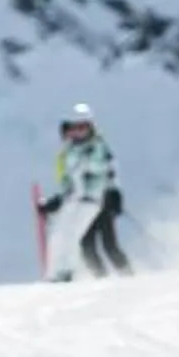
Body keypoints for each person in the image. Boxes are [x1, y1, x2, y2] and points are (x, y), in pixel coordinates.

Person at [40, 102, 131, 280]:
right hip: (79, 202)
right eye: (72, 128)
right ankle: (99, 276)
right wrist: (58, 200)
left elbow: (108, 170)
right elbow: (70, 181)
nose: (77, 132)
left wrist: (115, 193)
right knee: (84, 243)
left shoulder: (97, 147)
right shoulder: (68, 152)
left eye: (82, 127)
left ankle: (127, 275)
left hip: (99, 201)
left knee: (108, 244)